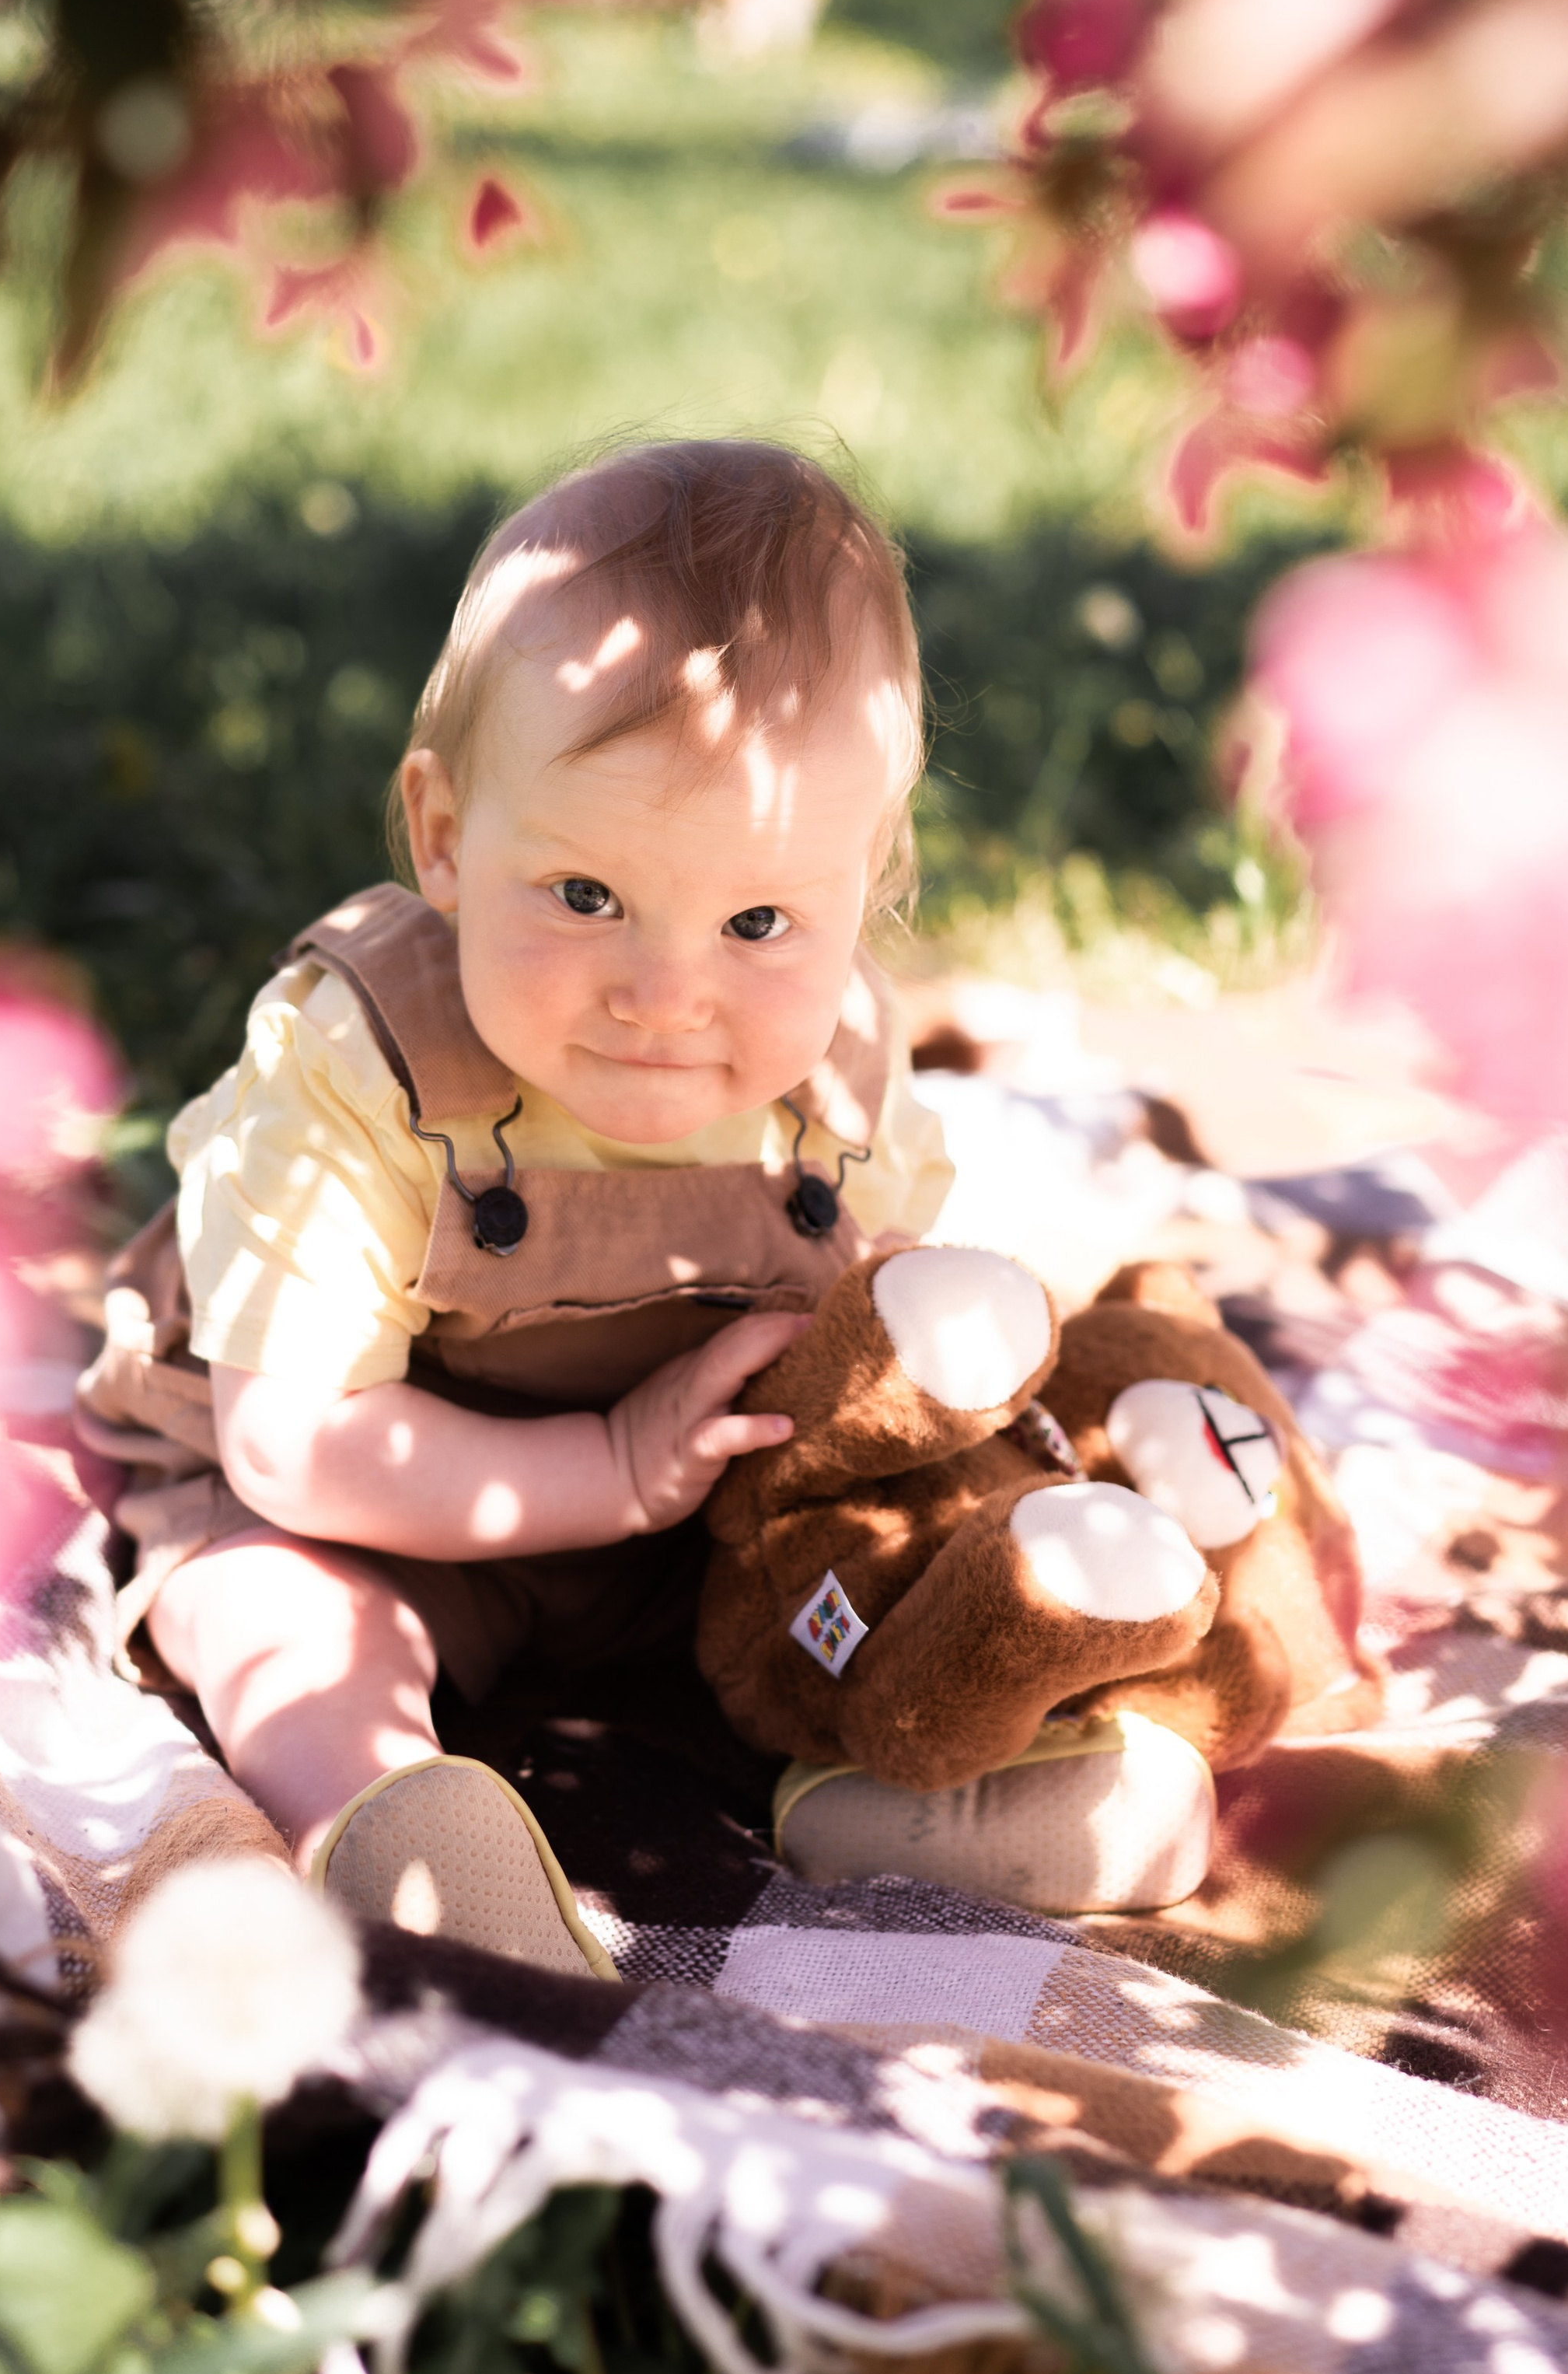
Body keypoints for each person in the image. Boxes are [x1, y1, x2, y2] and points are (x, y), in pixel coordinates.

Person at [77, 439, 952, 1973]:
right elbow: (292, 1445)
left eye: (758, 920)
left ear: (865, 882)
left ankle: (910, 1777)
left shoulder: (843, 1087)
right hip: (360, 1508)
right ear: (442, 838)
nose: (664, 996)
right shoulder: (362, 1066)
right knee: (282, 1620)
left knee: (890, 1560)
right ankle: (390, 1826)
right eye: (585, 898)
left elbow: (878, 1366)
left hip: (684, 1539)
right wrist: (608, 1464)